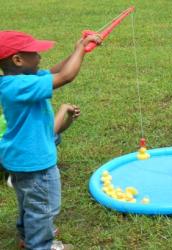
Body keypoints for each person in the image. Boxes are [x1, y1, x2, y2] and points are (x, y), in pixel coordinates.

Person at [0, 30, 101, 249]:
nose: (40, 56)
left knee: (30, 204)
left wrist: (80, 47)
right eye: (35, 53)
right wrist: (79, 51)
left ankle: (28, 237)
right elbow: (66, 77)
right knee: (44, 207)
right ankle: (40, 244)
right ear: (17, 60)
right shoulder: (19, 86)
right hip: (35, 162)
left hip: (20, 158)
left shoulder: (18, 80)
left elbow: (57, 71)